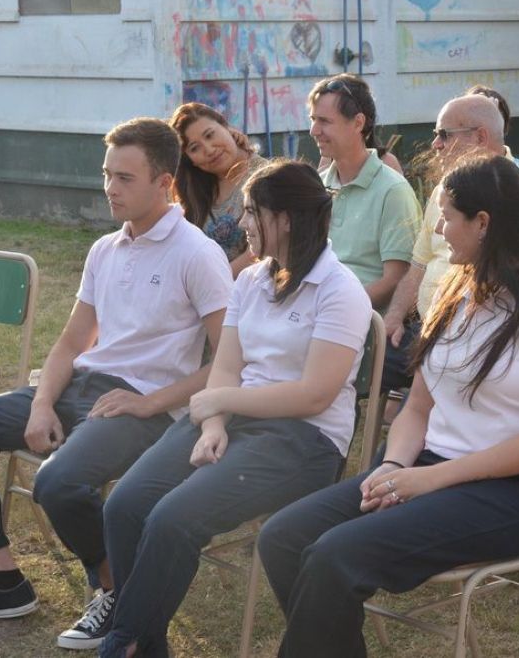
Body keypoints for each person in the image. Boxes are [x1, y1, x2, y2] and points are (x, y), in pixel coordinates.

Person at [256, 155, 519, 658]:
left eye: (446, 216)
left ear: (483, 223)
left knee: (335, 555)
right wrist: (395, 465)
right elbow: (417, 407)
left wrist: (428, 479)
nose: (437, 230)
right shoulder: (459, 291)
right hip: (428, 468)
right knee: (283, 536)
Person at [0, 119, 231, 650]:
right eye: (107, 175)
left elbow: (229, 360)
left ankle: (114, 590)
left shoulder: (197, 253)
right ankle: (2, 580)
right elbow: (69, 344)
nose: (111, 188)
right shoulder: (105, 248)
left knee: (57, 484)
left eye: (125, 178)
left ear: (165, 183)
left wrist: (150, 400)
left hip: (144, 409)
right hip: (77, 388)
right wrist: (41, 404)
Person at [98, 160, 372, 658]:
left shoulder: (340, 290)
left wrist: (220, 402)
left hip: (303, 439)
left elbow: (315, 394)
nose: (242, 223)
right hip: (235, 419)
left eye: (252, 212)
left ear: (285, 218)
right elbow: (226, 367)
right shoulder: (251, 280)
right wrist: (213, 424)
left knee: (173, 518)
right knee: (125, 505)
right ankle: (142, 641)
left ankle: (124, 642)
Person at [380, 94, 519, 392]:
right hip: (426, 329)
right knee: (347, 360)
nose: (435, 145)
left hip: (482, 339)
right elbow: (419, 263)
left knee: (417, 419)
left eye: (444, 135)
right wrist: (395, 315)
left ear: (480, 137)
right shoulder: (445, 188)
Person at [309, 74, 422, 310]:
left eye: (324, 121)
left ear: (358, 123)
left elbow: (396, 280)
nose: (313, 130)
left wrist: (332, 309)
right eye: (312, 119)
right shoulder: (315, 187)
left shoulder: (393, 191)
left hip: (362, 327)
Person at [170, 102, 267, 277]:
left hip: (252, 291)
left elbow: (264, 248)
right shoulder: (196, 189)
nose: (209, 150)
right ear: (190, 160)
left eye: (210, 135)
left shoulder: (265, 177)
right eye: (194, 148)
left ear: (227, 127)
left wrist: (216, 282)